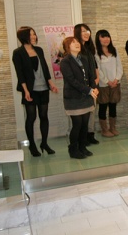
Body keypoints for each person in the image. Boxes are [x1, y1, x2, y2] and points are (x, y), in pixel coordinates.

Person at [12, 26, 59, 157]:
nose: (33, 37)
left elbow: (45, 68)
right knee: (31, 117)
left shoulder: (39, 50)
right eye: (30, 34)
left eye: (34, 34)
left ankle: (44, 143)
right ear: (23, 37)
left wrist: (51, 84)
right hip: (30, 90)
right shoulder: (18, 52)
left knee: (44, 116)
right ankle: (32, 145)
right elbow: (20, 73)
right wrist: (26, 91)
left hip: (43, 88)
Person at [60, 36, 98, 159]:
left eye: (77, 42)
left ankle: (82, 147)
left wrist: (94, 87)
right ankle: (73, 149)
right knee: (77, 124)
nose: (77, 44)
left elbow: (91, 75)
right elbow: (72, 81)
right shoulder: (65, 61)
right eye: (73, 42)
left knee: (85, 124)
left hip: (86, 97)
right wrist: (89, 90)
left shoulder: (84, 59)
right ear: (67, 47)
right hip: (73, 98)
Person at [74, 24, 100, 145]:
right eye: (83, 31)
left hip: (93, 85)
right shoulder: (77, 51)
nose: (86, 33)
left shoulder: (89, 49)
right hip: (83, 87)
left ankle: (90, 134)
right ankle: (81, 138)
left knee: (92, 112)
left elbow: (94, 66)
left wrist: (97, 79)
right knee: (83, 114)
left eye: (87, 31)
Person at [95, 29, 123, 137]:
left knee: (113, 106)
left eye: (107, 36)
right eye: (103, 37)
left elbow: (119, 66)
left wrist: (117, 79)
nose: (106, 39)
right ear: (98, 39)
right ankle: (104, 130)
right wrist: (107, 81)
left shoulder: (114, 50)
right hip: (103, 85)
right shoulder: (96, 53)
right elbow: (97, 70)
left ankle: (112, 128)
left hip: (115, 83)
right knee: (103, 107)